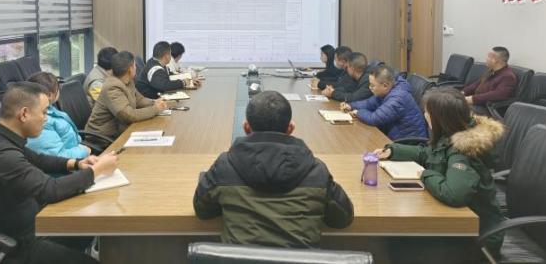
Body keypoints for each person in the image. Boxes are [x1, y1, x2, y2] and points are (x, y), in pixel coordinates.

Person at [0, 82, 117, 264]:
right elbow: (50, 190)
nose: (46, 119)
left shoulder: (0, 135)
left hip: (28, 225)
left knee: (88, 227)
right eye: (44, 112)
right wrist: (96, 171)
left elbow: (38, 159)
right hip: (8, 246)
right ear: (24, 114)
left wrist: (76, 164)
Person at [193, 91, 353, 247]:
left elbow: (203, 211)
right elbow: (342, 219)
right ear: (290, 128)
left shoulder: (224, 167)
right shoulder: (316, 172)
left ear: (246, 128)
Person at [373, 88, 505, 261]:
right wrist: (393, 151)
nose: (425, 115)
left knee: (395, 245)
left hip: (474, 238)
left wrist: (425, 175)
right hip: (459, 227)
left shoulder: (464, 150)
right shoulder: (454, 134)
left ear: (440, 118)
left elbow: (454, 194)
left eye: (428, 112)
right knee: (391, 239)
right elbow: (428, 153)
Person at [86, 51, 167, 140]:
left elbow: (139, 99)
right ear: (130, 69)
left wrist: (154, 102)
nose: (136, 68)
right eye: (135, 65)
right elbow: (128, 115)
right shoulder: (112, 87)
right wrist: (154, 109)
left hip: (121, 129)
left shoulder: (127, 80)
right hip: (103, 137)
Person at [343, 65, 427, 140]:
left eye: (372, 85)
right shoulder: (388, 90)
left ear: (385, 85)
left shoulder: (398, 98)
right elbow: (369, 103)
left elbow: (374, 119)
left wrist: (358, 112)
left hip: (409, 142)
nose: (370, 88)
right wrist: (351, 106)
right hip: (396, 137)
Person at [26, 72, 91, 159]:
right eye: (57, 89)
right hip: (69, 163)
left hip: (76, 153)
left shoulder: (50, 109)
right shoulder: (41, 121)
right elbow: (57, 156)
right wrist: (84, 151)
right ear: (49, 95)